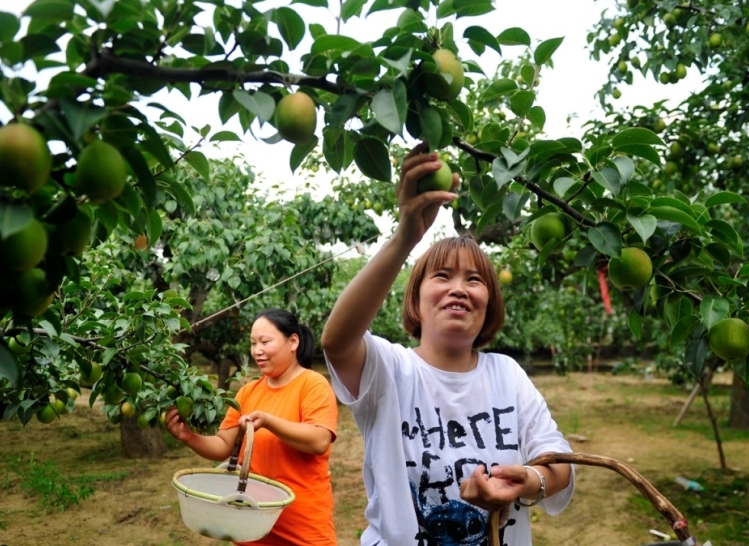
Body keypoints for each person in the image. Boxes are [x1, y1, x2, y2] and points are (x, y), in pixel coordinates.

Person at [321, 142, 575, 546]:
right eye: (442, 276)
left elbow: (557, 464)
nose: (459, 289)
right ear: (416, 298)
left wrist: (528, 479)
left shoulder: (506, 374)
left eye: (474, 280)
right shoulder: (390, 370)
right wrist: (406, 236)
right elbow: (336, 341)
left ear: (489, 302)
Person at [165, 308, 338, 546]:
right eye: (253, 343)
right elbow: (223, 444)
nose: (257, 350)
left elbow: (319, 441)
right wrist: (189, 436)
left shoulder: (313, 385)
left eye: (265, 342)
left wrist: (269, 422)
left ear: (293, 341)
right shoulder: (248, 392)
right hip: (253, 521)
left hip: (302, 525)